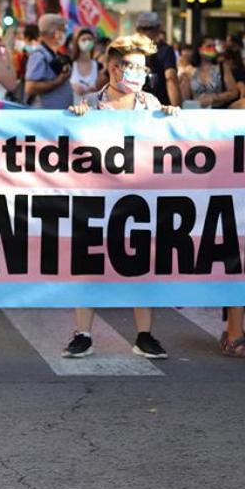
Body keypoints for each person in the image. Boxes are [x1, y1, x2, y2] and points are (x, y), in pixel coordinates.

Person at [64, 34, 175, 361]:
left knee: (142, 265)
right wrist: (76, 118)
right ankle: (83, 334)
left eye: (143, 68)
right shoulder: (91, 104)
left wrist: (171, 119)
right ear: (113, 68)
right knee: (89, 265)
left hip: (139, 200)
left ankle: (144, 335)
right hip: (97, 198)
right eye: (132, 67)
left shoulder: (151, 105)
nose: (139, 74)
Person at [24, 14, 74, 109]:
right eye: (63, 30)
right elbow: (30, 87)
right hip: (44, 117)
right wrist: (58, 82)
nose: (65, 34)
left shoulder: (53, 54)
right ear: (56, 33)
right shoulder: (39, 55)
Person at [136, 11, 181, 107]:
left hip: (134, 107)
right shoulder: (166, 50)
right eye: (145, 29)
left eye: (149, 29)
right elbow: (171, 79)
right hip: (161, 107)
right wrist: (177, 108)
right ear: (158, 29)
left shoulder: (130, 49)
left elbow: (108, 75)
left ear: (137, 30)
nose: (147, 32)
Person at [180, 40, 240, 108]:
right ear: (199, 50)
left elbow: (234, 92)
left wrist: (214, 98)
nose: (212, 49)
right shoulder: (189, 71)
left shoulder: (222, 68)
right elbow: (184, 98)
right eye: (209, 46)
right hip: (196, 113)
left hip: (218, 112)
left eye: (214, 46)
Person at [69, 28, 104, 106]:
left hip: (94, 110)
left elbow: (102, 87)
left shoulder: (99, 66)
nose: (87, 42)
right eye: (83, 39)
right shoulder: (70, 64)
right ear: (77, 42)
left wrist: (95, 88)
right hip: (74, 111)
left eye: (89, 39)